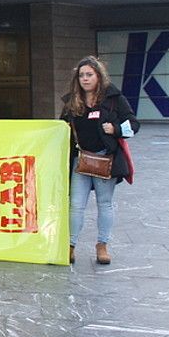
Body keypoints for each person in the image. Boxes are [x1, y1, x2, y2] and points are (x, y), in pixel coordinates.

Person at [61, 56, 138, 265]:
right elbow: (61, 129)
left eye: (89, 75)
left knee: (105, 204)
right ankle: (70, 245)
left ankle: (102, 245)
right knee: (75, 205)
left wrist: (116, 129)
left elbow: (134, 123)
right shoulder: (72, 101)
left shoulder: (113, 99)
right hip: (81, 160)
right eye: (81, 75)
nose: (85, 79)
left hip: (105, 159)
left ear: (98, 76)